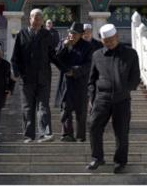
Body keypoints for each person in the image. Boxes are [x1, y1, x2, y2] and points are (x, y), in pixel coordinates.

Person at [87, 24, 140, 174]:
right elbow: (92, 79)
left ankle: (120, 161)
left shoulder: (130, 54)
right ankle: (97, 157)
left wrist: (126, 89)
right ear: (102, 41)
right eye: (105, 41)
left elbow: (135, 77)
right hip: (102, 98)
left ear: (117, 37)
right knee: (94, 126)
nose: (108, 43)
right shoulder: (97, 55)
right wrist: (92, 97)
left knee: (121, 132)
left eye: (111, 40)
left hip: (122, 99)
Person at [11, 8, 65, 143]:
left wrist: (64, 68)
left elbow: (53, 55)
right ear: (30, 19)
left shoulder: (47, 35)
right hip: (26, 78)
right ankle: (29, 135)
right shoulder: (22, 34)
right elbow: (15, 57)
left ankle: (45, 134)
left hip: (43, 77)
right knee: (27, 107)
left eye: (40, 18)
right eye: (34, 17)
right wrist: (16, 73)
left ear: (42, 21)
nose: (37, 20)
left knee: (43, 106)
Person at [55, 22, 93, 142]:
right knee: (65, 109)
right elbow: (56, 59)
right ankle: (67, 134)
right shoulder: (63, 43)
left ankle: (81, 136)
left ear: (81, 35)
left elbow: (89, 64)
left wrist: (75, 71)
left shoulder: (87, 47)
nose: (72, 35)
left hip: (80, 82)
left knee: (81, 112)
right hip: (66, 83)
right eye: (70, 33)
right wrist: (64, 47)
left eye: (75, 34)